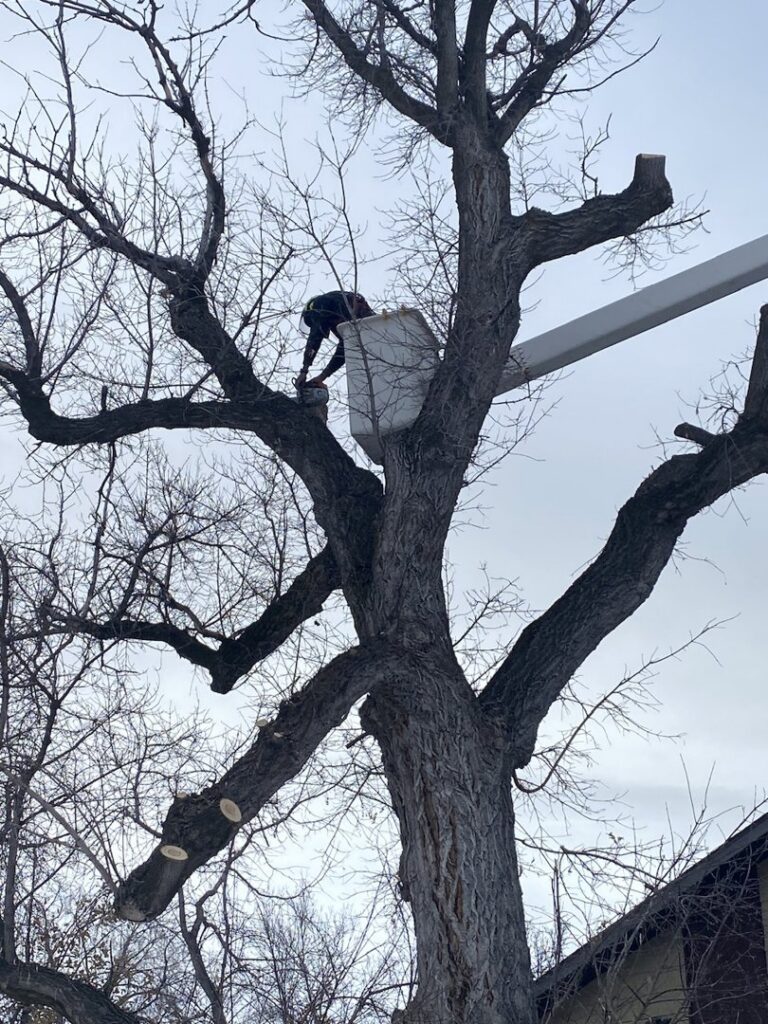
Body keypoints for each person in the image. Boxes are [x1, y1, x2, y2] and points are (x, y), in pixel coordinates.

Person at [295, 290, 375, 388]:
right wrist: (322, 377)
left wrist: (304, 370)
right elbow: (345, 350)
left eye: (312, 324)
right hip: (372, 332)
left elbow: (315, 337)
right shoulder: (341, 316)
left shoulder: (318, 304)